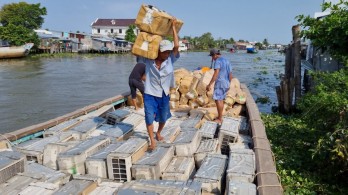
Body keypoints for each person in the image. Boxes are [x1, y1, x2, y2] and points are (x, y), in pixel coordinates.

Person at [140, 19, 180, 151]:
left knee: (163, 116)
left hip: (164, 93)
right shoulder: (148, 59)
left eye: (168, 52)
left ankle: (158, 132)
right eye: (164, 52)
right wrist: (144, 35)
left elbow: (176, 46)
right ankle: (152, 140)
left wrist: (173, 27)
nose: (167, 54)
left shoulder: (170, 60)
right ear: (158, 51)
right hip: (150, 93)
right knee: (149, 116)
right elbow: (138, 49)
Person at [206, 48, 233, 124]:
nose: (212, 58)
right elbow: (230, 74)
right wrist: (229, 84)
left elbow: (216, 74)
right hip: (226, 83)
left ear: (215, 55)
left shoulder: (218, 61)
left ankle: (220, 118)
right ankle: (220, 117)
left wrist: (209, 84)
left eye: (212, 56)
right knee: (221, 100)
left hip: (220, 83)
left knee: (218, 100)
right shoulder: (227, 61)